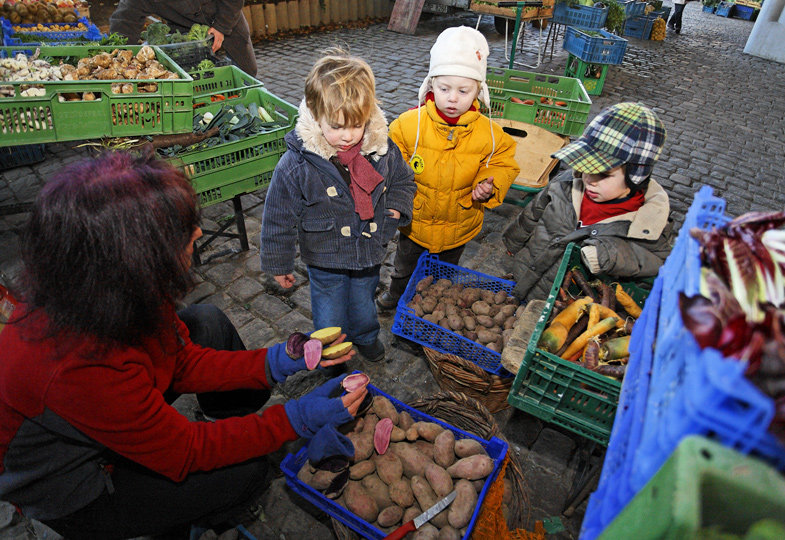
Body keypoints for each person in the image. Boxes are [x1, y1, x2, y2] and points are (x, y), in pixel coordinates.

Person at [0, 151, 367, 539]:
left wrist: (279, 359)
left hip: (114, 407)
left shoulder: (116, 287)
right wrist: (296, 419)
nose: (197, 234)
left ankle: (218, 425)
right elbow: (186, 452)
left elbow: (180, 361)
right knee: (247, 471)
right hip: (79, 484)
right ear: (133, 259)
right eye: (182, 234)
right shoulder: (75, 366)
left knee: (206, 323)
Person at [258, 49, 416, 363]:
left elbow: (404, 180)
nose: (347, 136)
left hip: (368, 252)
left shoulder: (382, 149)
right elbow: (278, 218)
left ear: (368, 115)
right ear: (316, 116)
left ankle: (366, 335)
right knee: (329, 314)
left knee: (362, 304)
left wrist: (395, 209)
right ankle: (331, 353)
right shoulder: (297, 164)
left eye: (356, 125)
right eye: (336, 126)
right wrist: (278, 265)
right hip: (325, 258)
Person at [376, 26, 520, 311]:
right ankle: (396, 293)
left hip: (459, 224)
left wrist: (489, 182)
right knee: (404, 264)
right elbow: (389, 159)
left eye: (463, 90)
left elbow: (502, 162)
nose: (453, 98)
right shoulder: (408, 125)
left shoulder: (490, 134)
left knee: (443, 273)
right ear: (431, 86)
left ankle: (432, 305)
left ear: (479, 90)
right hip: (415, 222)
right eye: (444, 89)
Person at [502, 102, 674, 303]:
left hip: (567, 301)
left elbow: (655, 260)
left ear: (635, 177)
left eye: (603, 174)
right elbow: (534, 212)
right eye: (586, 166)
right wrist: (514, 240)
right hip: (528, 269)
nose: (589, 179)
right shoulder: (566, 184)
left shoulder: (647, 225)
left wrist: (610, 254)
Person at [109, 0, 258, 77]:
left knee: (247, 71)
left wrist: (222, 26)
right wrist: (123, 58)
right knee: (193, 77)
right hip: (182, 27)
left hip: (227, 16)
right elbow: (124, 20)